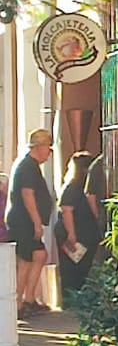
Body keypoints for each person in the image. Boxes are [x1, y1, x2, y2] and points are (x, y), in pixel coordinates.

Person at [5, 129, 55, 319]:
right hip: (23, 222)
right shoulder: (27, 167)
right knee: (25, 261)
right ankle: (16, 305)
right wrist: (36, 222)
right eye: (48, 149)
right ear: (39, 148)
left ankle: (29, 299)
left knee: (40, 255)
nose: (49, 153)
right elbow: (27, 194)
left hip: (25, 221)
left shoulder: (30, 165)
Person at [55, 151, 102, 294]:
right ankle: (71, 297)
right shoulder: (73, 188)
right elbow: (67, 211)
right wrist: (71, 235)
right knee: (73, 269)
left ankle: (76, 295)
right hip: (76, 235)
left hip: (84, 234)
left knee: (81, 268)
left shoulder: (78, 187)